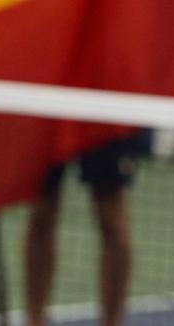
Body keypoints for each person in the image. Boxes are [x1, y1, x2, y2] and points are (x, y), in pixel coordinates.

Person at [24, 134, 146, 326]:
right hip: (51, 116)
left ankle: (112, 322)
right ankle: (34, 321)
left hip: (104, 118)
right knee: (41, 211)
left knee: (111, 216)